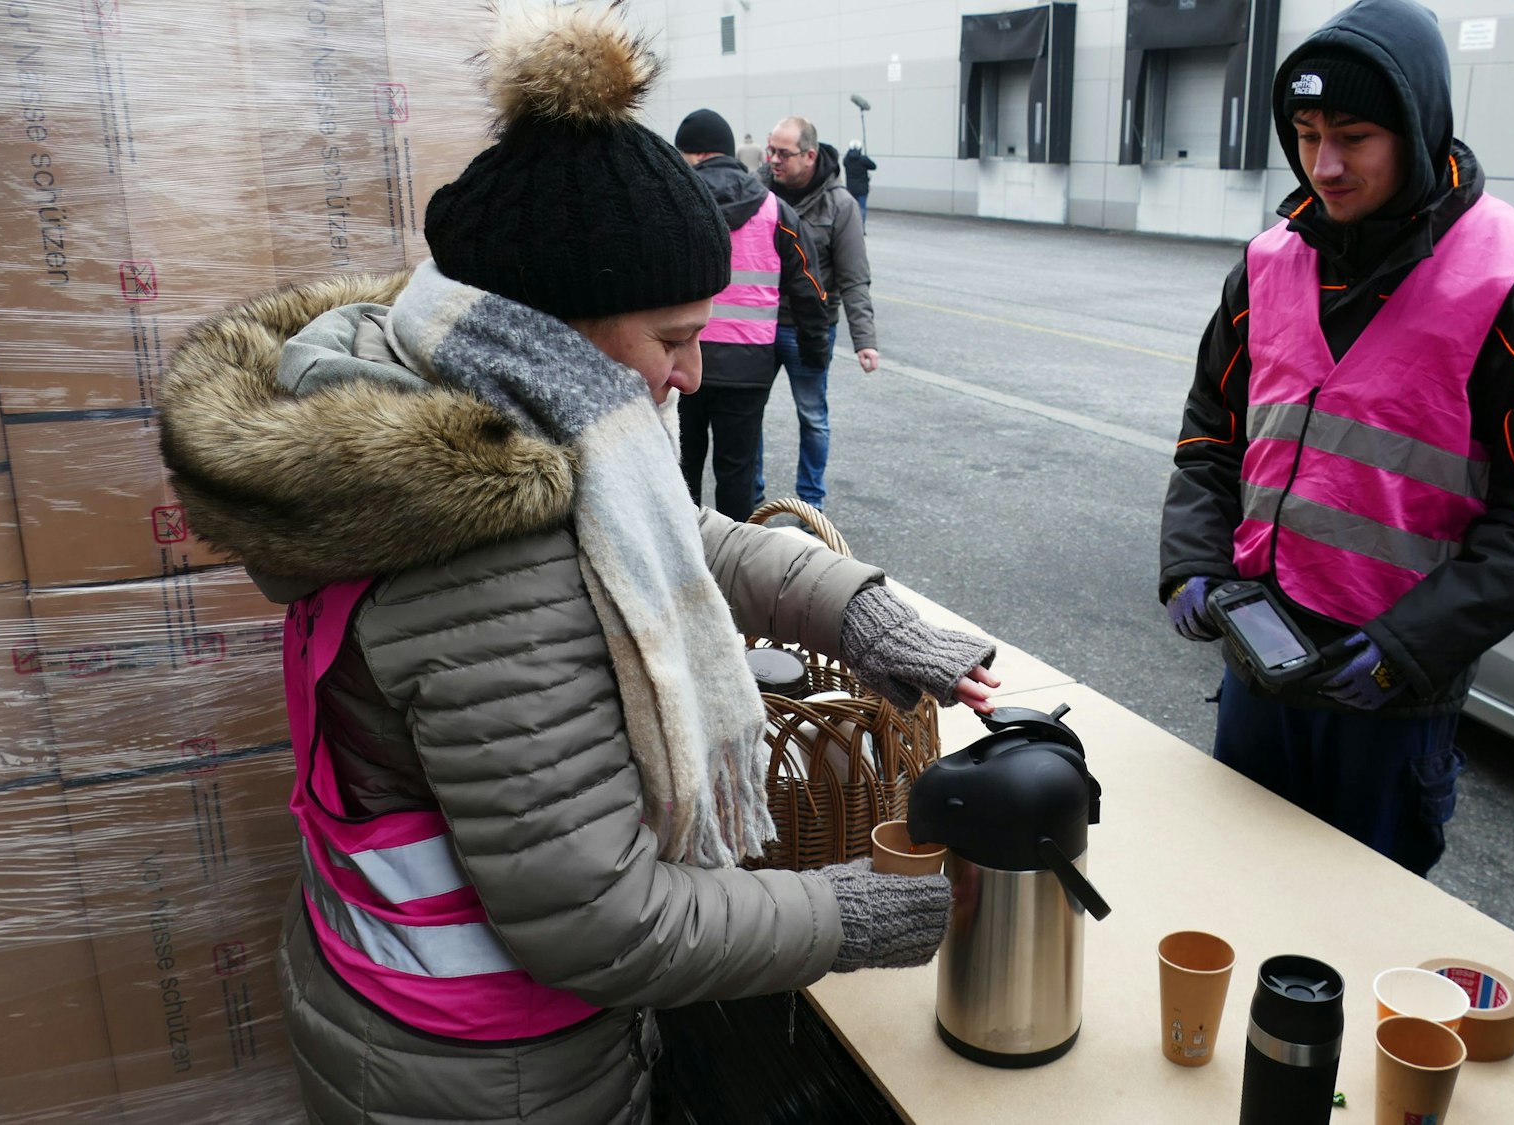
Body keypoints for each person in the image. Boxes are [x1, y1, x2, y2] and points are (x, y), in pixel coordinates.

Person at [156, 8, 1001, 1122]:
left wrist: (859, 613)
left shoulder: (479, 425)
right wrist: (850, 912)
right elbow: (606, 920)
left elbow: (676, 539)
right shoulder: (484, 563)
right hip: (485, 1073)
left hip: (421, 1017)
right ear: (553, 331)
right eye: (671, 337)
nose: (692, 374)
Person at [1158, 0, 1514, 877]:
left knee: (1356, 947)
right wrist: (1191, 559)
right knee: (1232, 894)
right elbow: (1212, 434)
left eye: (1353, 136)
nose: (1323, 164)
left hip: (1390, 699)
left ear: (1416, 127)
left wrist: (1410, 650)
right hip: (1260, 663)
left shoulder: (1513, 277)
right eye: (1305, 131)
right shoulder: (1266, 263)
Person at [673, 107, 832, 521]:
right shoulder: (774, 209)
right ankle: (733, 564)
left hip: (684, 360)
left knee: (681, 466)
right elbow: (810, 290)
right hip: (748, 368)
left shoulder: (675, 203)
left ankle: (682, 558)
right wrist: (815, 353)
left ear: (691, 155)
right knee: (737, 472)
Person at [757, 114, 878, 511]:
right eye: (770, 149)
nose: (773, 159)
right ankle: (749, 499)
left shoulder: (840, 204)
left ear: (809, 155)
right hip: (757, 325)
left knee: (812, 417)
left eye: (783, 153)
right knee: (745, 415)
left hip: (808, 329)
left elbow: (854, 277)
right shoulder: (756, 193)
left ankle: (810, 504)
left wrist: (865, 341)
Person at [844, 139, 877, 226]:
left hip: (851, 187)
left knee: (852, 208)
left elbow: (844, 163)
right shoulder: (863, 159)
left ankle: (852, 227)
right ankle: (861, 228)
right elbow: (873, 166)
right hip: (862, 187)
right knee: (862, 207)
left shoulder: (846, 160)